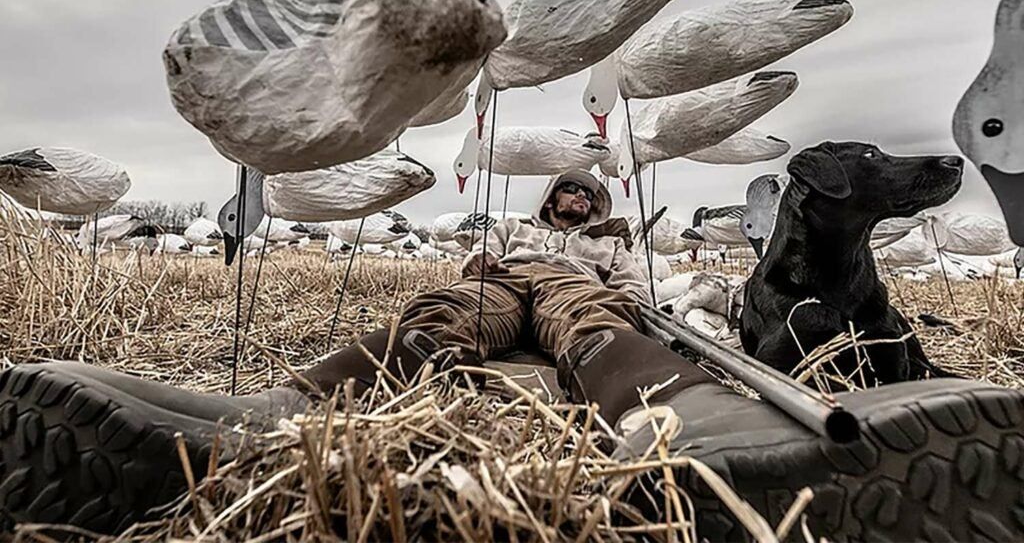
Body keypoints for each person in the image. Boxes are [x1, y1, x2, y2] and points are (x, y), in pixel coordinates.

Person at [2, 169, 1023, 542]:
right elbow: (482, 273)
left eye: (586, 196)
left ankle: (708, 430)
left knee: (585, 320)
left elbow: (627, 296)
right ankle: (284, 413)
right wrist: (496, 263)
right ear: (547, 204)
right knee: (458, 304)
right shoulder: (509, 238)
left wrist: (609, 280)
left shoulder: (611, 248)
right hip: (503, 286)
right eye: (563, 197)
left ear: (602, 208)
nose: (574, 200)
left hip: (585, 300)